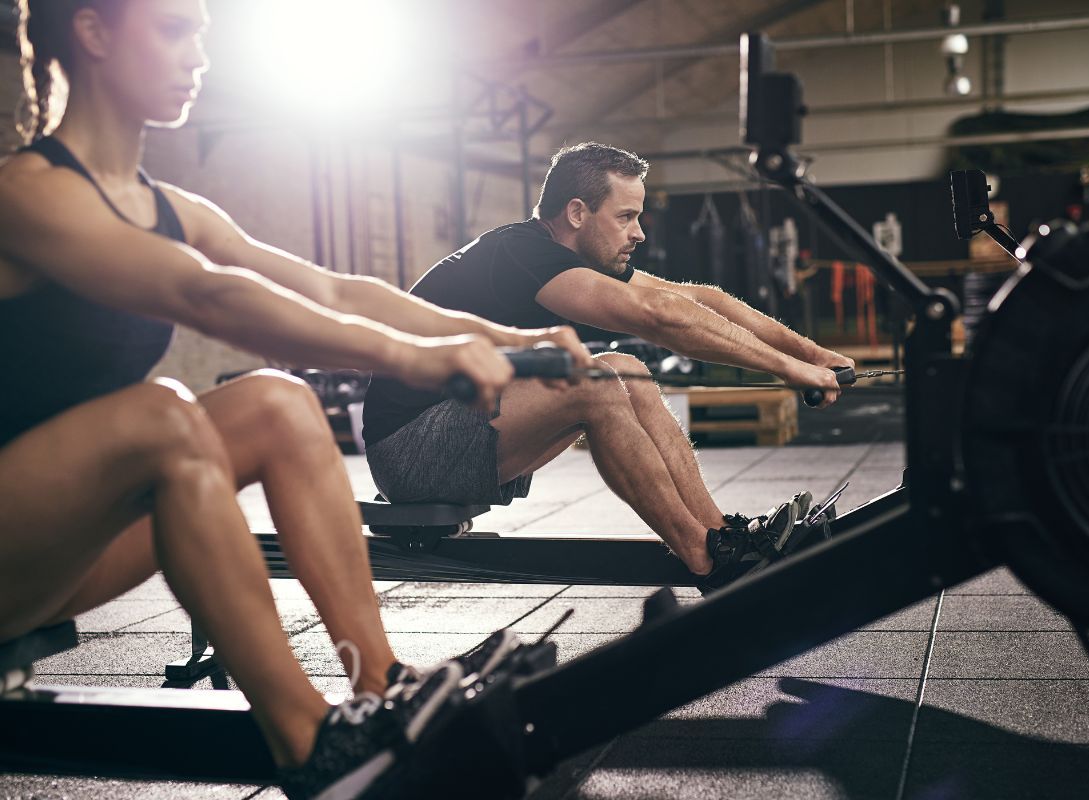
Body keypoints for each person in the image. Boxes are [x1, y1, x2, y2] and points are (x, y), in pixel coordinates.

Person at [0, 1, 591, 797]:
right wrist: (419, 358)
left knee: (277, 403)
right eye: (174, 30)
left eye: (203, 34)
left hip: (60, 553)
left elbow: (332, 289)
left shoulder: (171, 209)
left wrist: (508, 340)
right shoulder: (27, 195)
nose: (198, 55)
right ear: (94, 32)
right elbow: (204, 295)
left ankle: (382, 685)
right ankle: (309, 742)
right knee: (163, 416)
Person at [363, 142, 855, 592]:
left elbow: (701, 299)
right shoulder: (521, 254)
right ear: (577, 212)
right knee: (596, 385)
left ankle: (722, 536)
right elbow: (660, 317)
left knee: (625, 369)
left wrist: (808, 354)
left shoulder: (560, 253)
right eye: (625, 217)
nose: (638, 232)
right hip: (412, 448)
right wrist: (788, 371)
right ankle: (706, 560)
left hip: (461, 426)